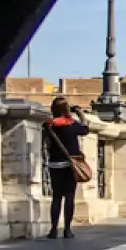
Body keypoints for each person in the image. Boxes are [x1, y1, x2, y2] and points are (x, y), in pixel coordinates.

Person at [42, 97, 90, 240]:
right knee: (69, 197)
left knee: (56, 197)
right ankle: (67, 230)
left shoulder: (48, 125)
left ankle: (53, 230)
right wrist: (80, 113)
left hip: (54, 164)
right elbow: (85, 130)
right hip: (70, 165)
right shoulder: (71, 124)